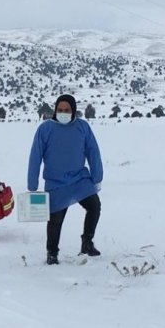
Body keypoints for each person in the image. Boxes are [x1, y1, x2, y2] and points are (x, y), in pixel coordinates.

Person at [27, 94, 103, 265]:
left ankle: (87, 242)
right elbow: (35, 155)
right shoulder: (45, 129)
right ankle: (52, 253)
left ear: (74, 111)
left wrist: (97, 176)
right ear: (55, 111)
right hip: (56, 183)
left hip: (80, 179)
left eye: (67, 110)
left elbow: (93, 151)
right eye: (60, 110)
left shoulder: (83, 127)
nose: (63, 113)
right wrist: (32, 183)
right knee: (55, 221)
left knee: (94, 206)